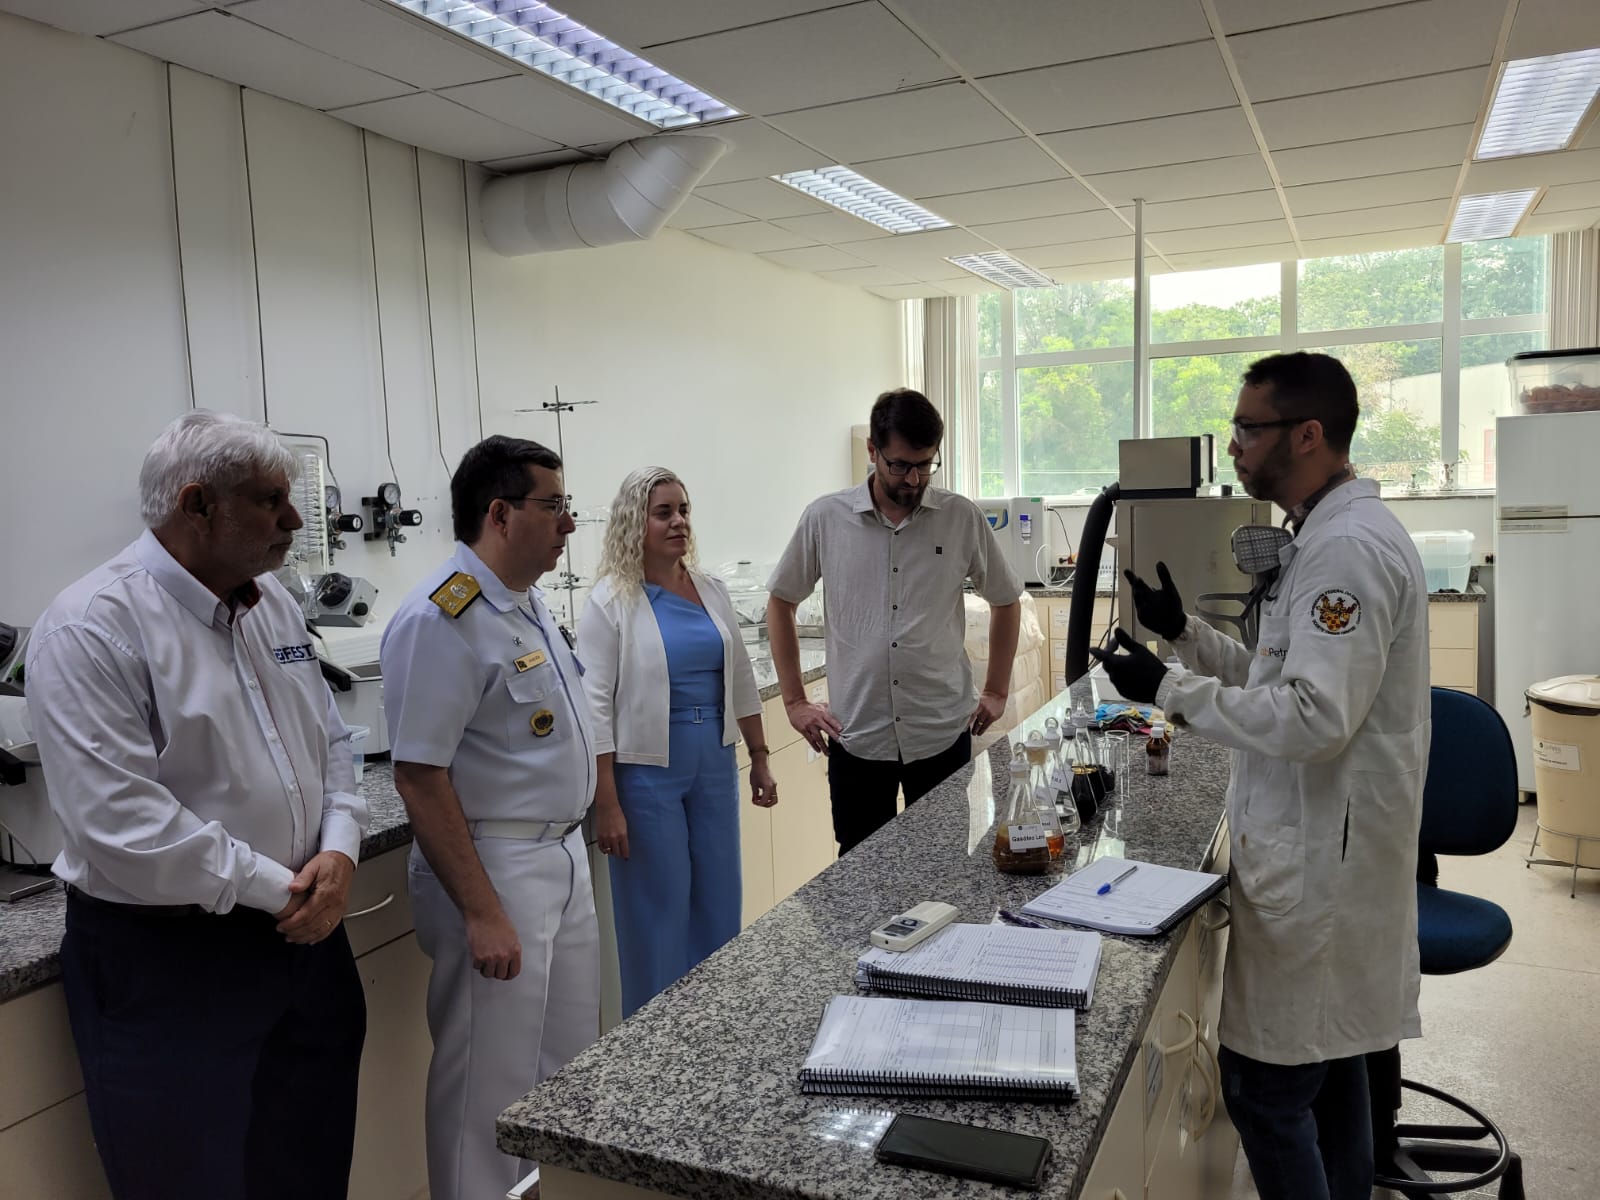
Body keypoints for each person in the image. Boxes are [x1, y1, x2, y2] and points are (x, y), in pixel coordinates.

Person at [1090, 352, 1430, 1200]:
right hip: (1329, 856)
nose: (1235, 444)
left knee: (1266, 1093)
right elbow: (1279, 680)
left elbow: (1314, 718)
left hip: (1323, 871)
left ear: (1308, 435)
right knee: (1331, 1074)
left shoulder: (1344, 551)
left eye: (1249, 427)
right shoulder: (1320, 536)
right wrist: (1185, 638)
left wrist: (1169, 691)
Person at [25, 410, 369, 1200]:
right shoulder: (92, 628)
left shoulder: (272, 604)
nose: (291, 520)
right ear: (196, 504)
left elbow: (332, 743)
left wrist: (341, 847)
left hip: (305, 944)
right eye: (270, 500)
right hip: (172, 963)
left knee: (310, 1172)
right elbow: (125, 827)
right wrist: (287, 890)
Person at [380, 436, 598, 1200]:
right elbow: (418, 774)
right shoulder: (444, 616)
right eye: (555, 505)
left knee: (567, 1073)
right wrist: (482, 911)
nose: (570, 522)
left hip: (561, 862)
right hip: (495, 870)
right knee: (487, 1088)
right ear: (500, 514)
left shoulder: (526, 601)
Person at [767, 387, 1024, 855]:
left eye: (926, 464)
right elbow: (781, 601)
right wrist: (793, 700)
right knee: (860, 874)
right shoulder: (826, 518)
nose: (914, 478)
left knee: (943, 866)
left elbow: (1007, 600)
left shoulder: (960, 517)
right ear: (873, 450)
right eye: (900, 464)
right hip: (858, 734)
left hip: (941, 731)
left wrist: (996, 690)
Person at [578, 467, 779, 1017]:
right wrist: (608, 802)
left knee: (718, 904)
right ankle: (652, 1042)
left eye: (683, 510)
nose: (678, 522)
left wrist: (759, 756)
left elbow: (738, 679)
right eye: (663, 512)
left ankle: (711, 1031)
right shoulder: (610, 601)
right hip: (646, 775)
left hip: (713, 764)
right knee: (656, 914)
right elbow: (594, 706)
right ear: (634, 522)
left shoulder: (709, 589)